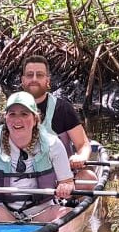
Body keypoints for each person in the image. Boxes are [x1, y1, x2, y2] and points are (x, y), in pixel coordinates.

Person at [0, 92, 75, 223]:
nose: (18, 120)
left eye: (24, 114)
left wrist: (66, 187)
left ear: (35, 119)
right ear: (6, 118)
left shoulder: (53, 144)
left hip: (44, 211)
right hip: (2, 212)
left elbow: (67, 181)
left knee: (67, 215)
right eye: (12, 114)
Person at [19, 54, 97, 183]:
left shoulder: (63, 109)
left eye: (39, 75)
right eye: (29, 75)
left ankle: (68, 201)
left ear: (47, 81)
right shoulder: (11, 110)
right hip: (20, 178)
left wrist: (81, 157)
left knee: (88, 178)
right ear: (23, 80)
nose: (34, 79)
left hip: (60, 177)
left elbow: (82, 144)